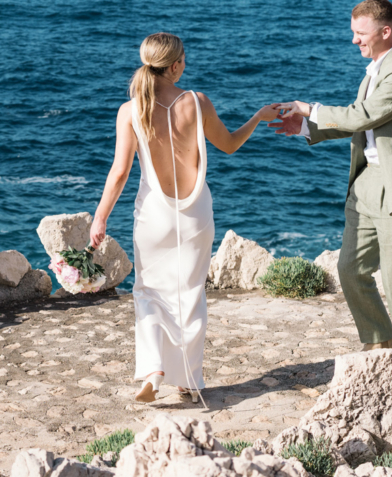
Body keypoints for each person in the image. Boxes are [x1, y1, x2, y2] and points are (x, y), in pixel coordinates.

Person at [90, 32, 282, 403]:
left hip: (153, 217)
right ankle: (189, 382)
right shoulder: (197, 102)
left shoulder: (131, 111)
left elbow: (119, 173)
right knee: (190, 294)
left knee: (147, 291)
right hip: (195, 214)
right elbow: (228, 144)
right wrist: (258, 116)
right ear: (176, 65)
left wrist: (100, 219)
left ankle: (153, 370)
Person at [271, 0, 392, 352]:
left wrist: (310, 108)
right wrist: (304, 128)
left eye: (361, 33)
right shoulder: (376, 70)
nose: (354, 40)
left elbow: (361, 115)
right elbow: (361, 124)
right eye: (353, 32)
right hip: (367, 183)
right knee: (350, 269)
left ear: (386, 31)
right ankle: (379, 340)